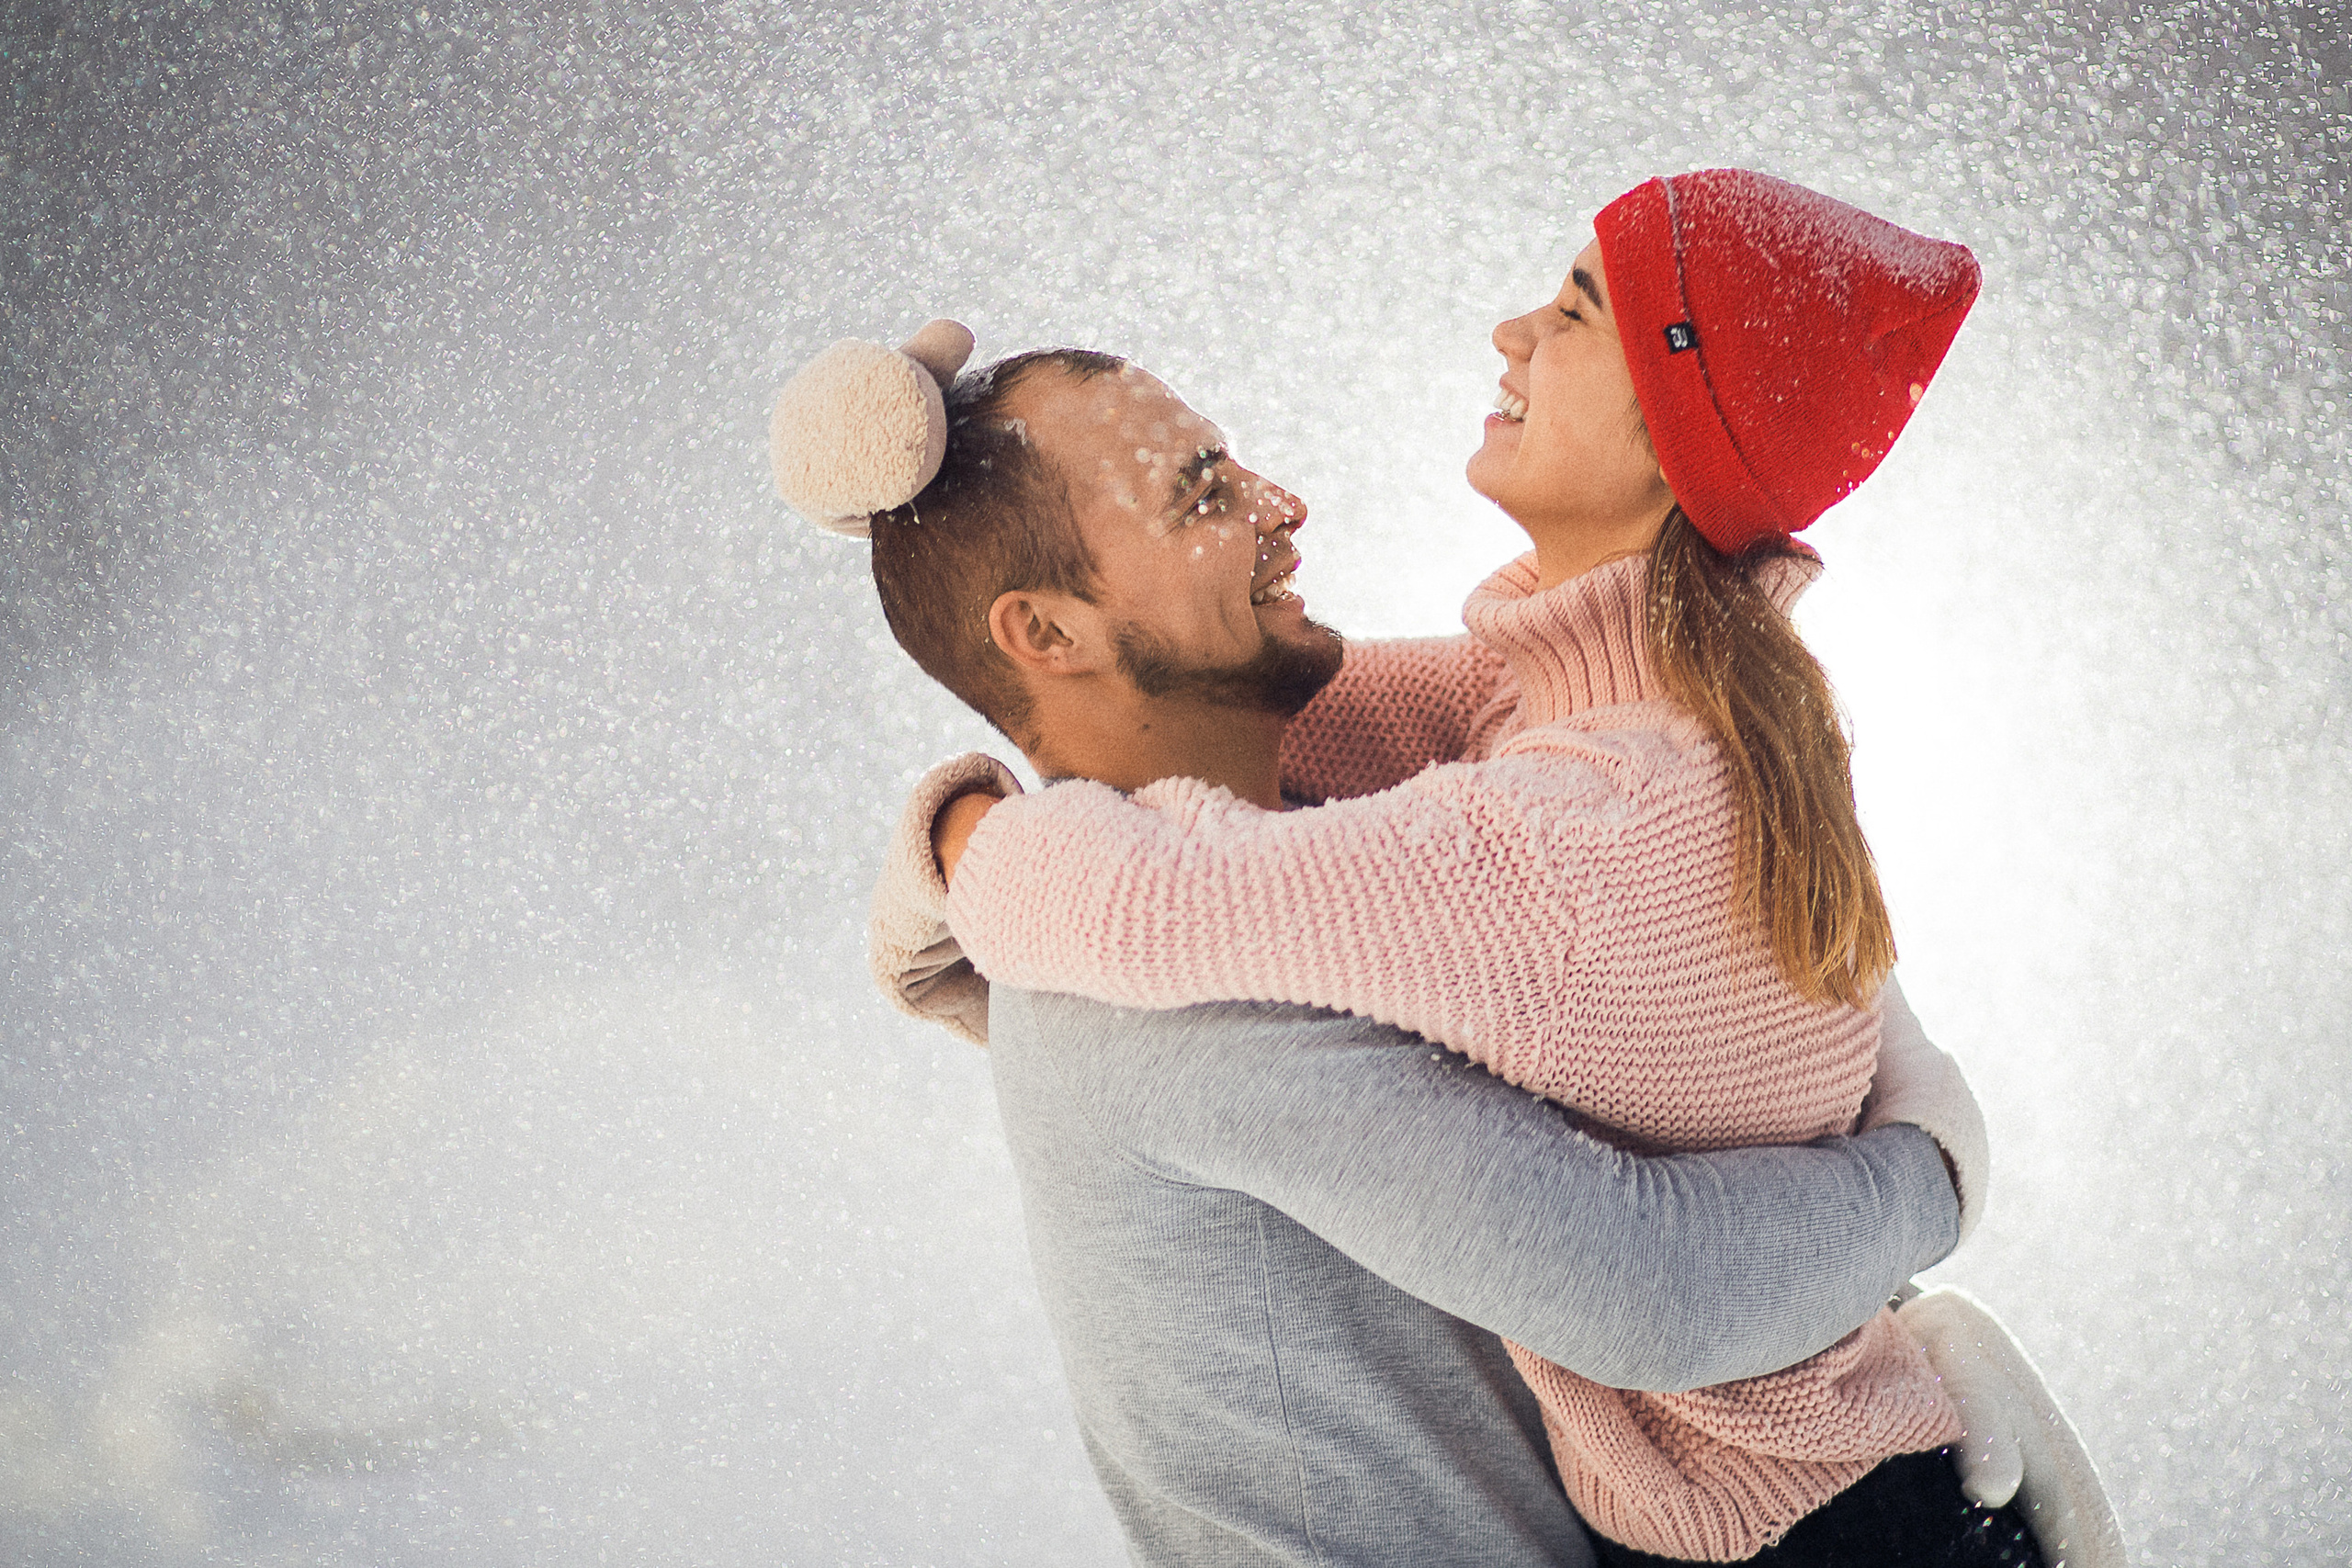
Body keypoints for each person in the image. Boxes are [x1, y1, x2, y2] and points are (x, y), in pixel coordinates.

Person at [818, 175, 2115, 1567]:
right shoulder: (1215, 976)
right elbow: (1650, 1284)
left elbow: (1192, 859)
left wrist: (962, 842)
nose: (1284, 503)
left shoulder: (1546, 790)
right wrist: (1926, 1171)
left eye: (1572, 312)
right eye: (1204, 493)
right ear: (1050, 632)